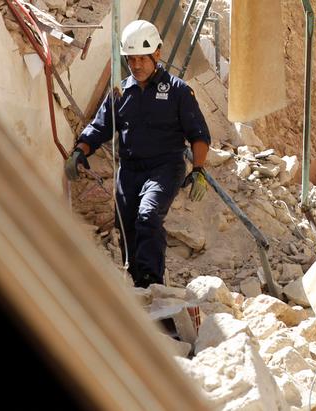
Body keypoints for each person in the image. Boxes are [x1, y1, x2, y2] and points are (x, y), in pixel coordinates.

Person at [65, 20, 211, 288]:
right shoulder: (121, 92)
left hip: (165, 168)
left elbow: (199, 135)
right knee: (128, 226)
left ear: (157, 54)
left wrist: (199, 169)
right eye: (130, 60)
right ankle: (136, 282)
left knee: (148, 215)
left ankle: (152, 284)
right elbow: (99, 127)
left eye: (141, 59)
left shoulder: (178, 91)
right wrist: (80, 152)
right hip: (130, 171)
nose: (136, 66)